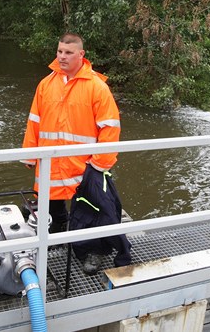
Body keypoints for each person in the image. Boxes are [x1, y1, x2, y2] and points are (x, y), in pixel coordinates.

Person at [21, 33, 130, 274]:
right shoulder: (46, 84)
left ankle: (93, 251)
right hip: (50, 162)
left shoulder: (96, 88)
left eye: (68, 53)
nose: (62, 57)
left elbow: (110, 128)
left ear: (81, 55)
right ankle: (55, 237)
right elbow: (34, 121)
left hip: (83, 166)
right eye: (59, 51)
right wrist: (30, 154)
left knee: (90, 210)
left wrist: (99, 165)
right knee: (50, 206)